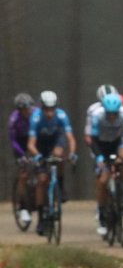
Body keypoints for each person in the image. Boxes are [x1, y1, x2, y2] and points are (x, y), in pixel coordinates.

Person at [26, 90, 77, 235]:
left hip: (56, 140)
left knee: (59, 155)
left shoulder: (61, 115)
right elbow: (31, 144)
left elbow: (70, 138)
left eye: (52, 109)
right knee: (42, 180)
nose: (49, 113)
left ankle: (60, 184)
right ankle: (41, 218)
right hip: (40, 146)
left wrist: (72, 153)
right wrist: (37, 156)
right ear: (41, 108)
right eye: (46, 109)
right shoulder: (35, 118)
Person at [85, 94, 123, 236]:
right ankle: (101, 214)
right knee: (103, 180)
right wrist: (99, 157)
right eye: (109, 114)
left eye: (115, 113)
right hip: (101, 145)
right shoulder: (97, 116)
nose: (112, 117)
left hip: (117, 142)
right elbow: (92, 140)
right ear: (104, 110)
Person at [8, 93, 36, 226]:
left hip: (35, 141)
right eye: (24, 110)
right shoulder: (14, 119)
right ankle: (23, 207)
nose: (27, 112)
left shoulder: (37, 113)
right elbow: (13, 141)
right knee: (23, 175)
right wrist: (22, 156)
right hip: (20, 144)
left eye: (28, 109)